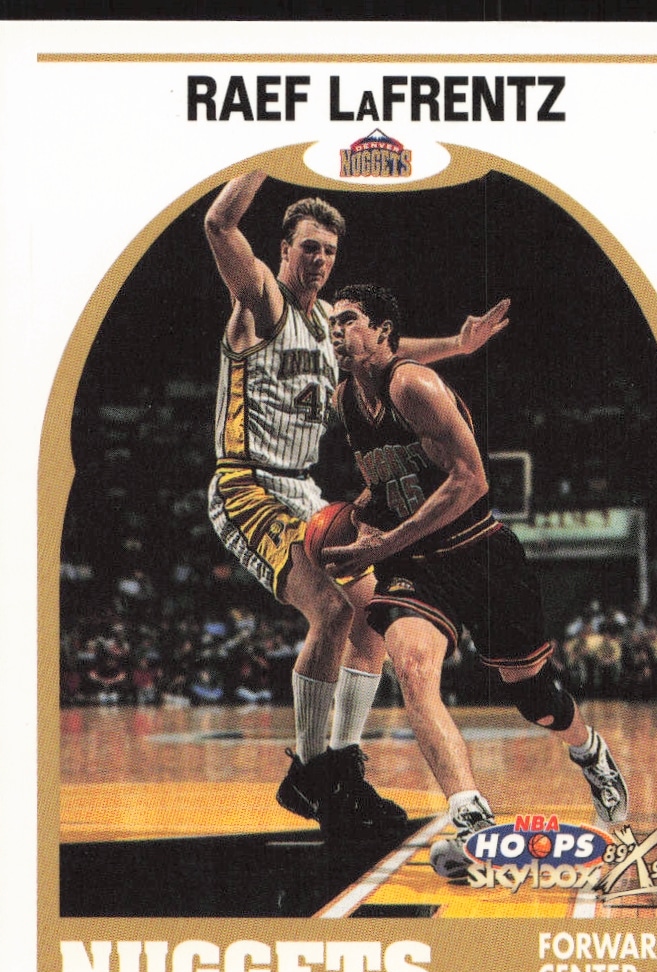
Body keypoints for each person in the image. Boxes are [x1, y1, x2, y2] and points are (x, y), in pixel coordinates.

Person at [204, 173, 510, 839]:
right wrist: (262, 154)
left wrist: (457, 347)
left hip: (303, 490)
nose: (319, 259)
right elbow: (219, 225)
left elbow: (388, 349)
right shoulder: (262, 301)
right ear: (283, 250)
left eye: (329, 251)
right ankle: (310, 772)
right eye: (308, 247)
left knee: (373, 610)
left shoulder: (329, 326)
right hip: (248, 486)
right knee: (331, 608)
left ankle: (341, 763)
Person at [322, 284, 629, 877]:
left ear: (382, 332)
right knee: (413, 670)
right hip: (416, 565)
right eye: (332, 321)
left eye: (349, 319)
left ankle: (589, 751)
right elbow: (388, 480)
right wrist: (361, 514)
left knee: (537, 701)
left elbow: (471, 480)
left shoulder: (414, 386)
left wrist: (383, 542)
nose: (336, 329)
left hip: (479, 553)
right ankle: (473, 822)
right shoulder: (346, 401)